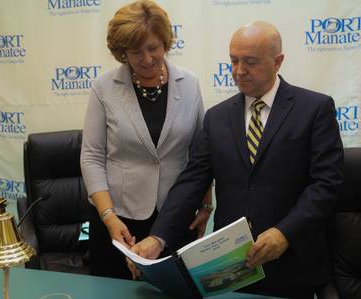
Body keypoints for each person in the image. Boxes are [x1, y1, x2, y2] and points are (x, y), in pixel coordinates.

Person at [129, 21, 344, 298]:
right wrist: (157, 238)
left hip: (292, 263)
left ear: (277, 62)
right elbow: (192, 182)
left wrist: (284, 233)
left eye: (250, 62)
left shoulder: (314, 109)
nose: (239, 71)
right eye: (233, 61)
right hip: (229, 267)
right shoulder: (217, 118)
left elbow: (326, 184)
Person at [80, 0, 212, 280]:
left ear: (165, 42)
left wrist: (206, 203)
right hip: (119, 218)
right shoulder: (103, 88)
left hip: (176, 214)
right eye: (135, 52)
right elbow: (91, 156)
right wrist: (108, 217)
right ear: (122, 53)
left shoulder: (189, 84)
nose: (147, 58)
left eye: (153, 48)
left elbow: (200, 153)